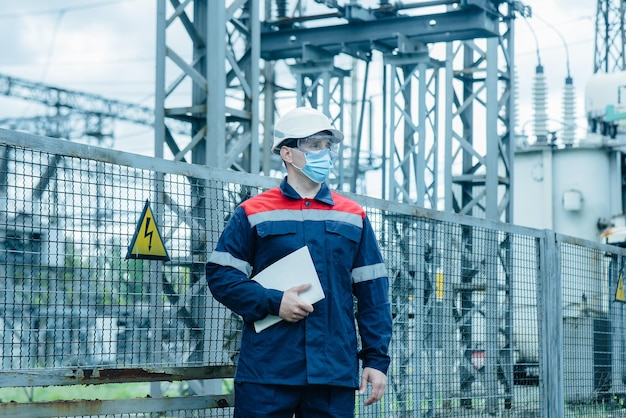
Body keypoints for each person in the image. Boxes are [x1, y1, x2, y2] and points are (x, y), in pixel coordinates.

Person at [205, 106, 392, 417]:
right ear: (288, 153)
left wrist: (376, 360)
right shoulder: (253, 211)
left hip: (333, 371)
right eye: (315, 145)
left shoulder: (352, 216)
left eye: (328, 146)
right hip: (268, 369)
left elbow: (374, 294)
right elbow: (221, 276)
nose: (326, 154)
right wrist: (273, 302)